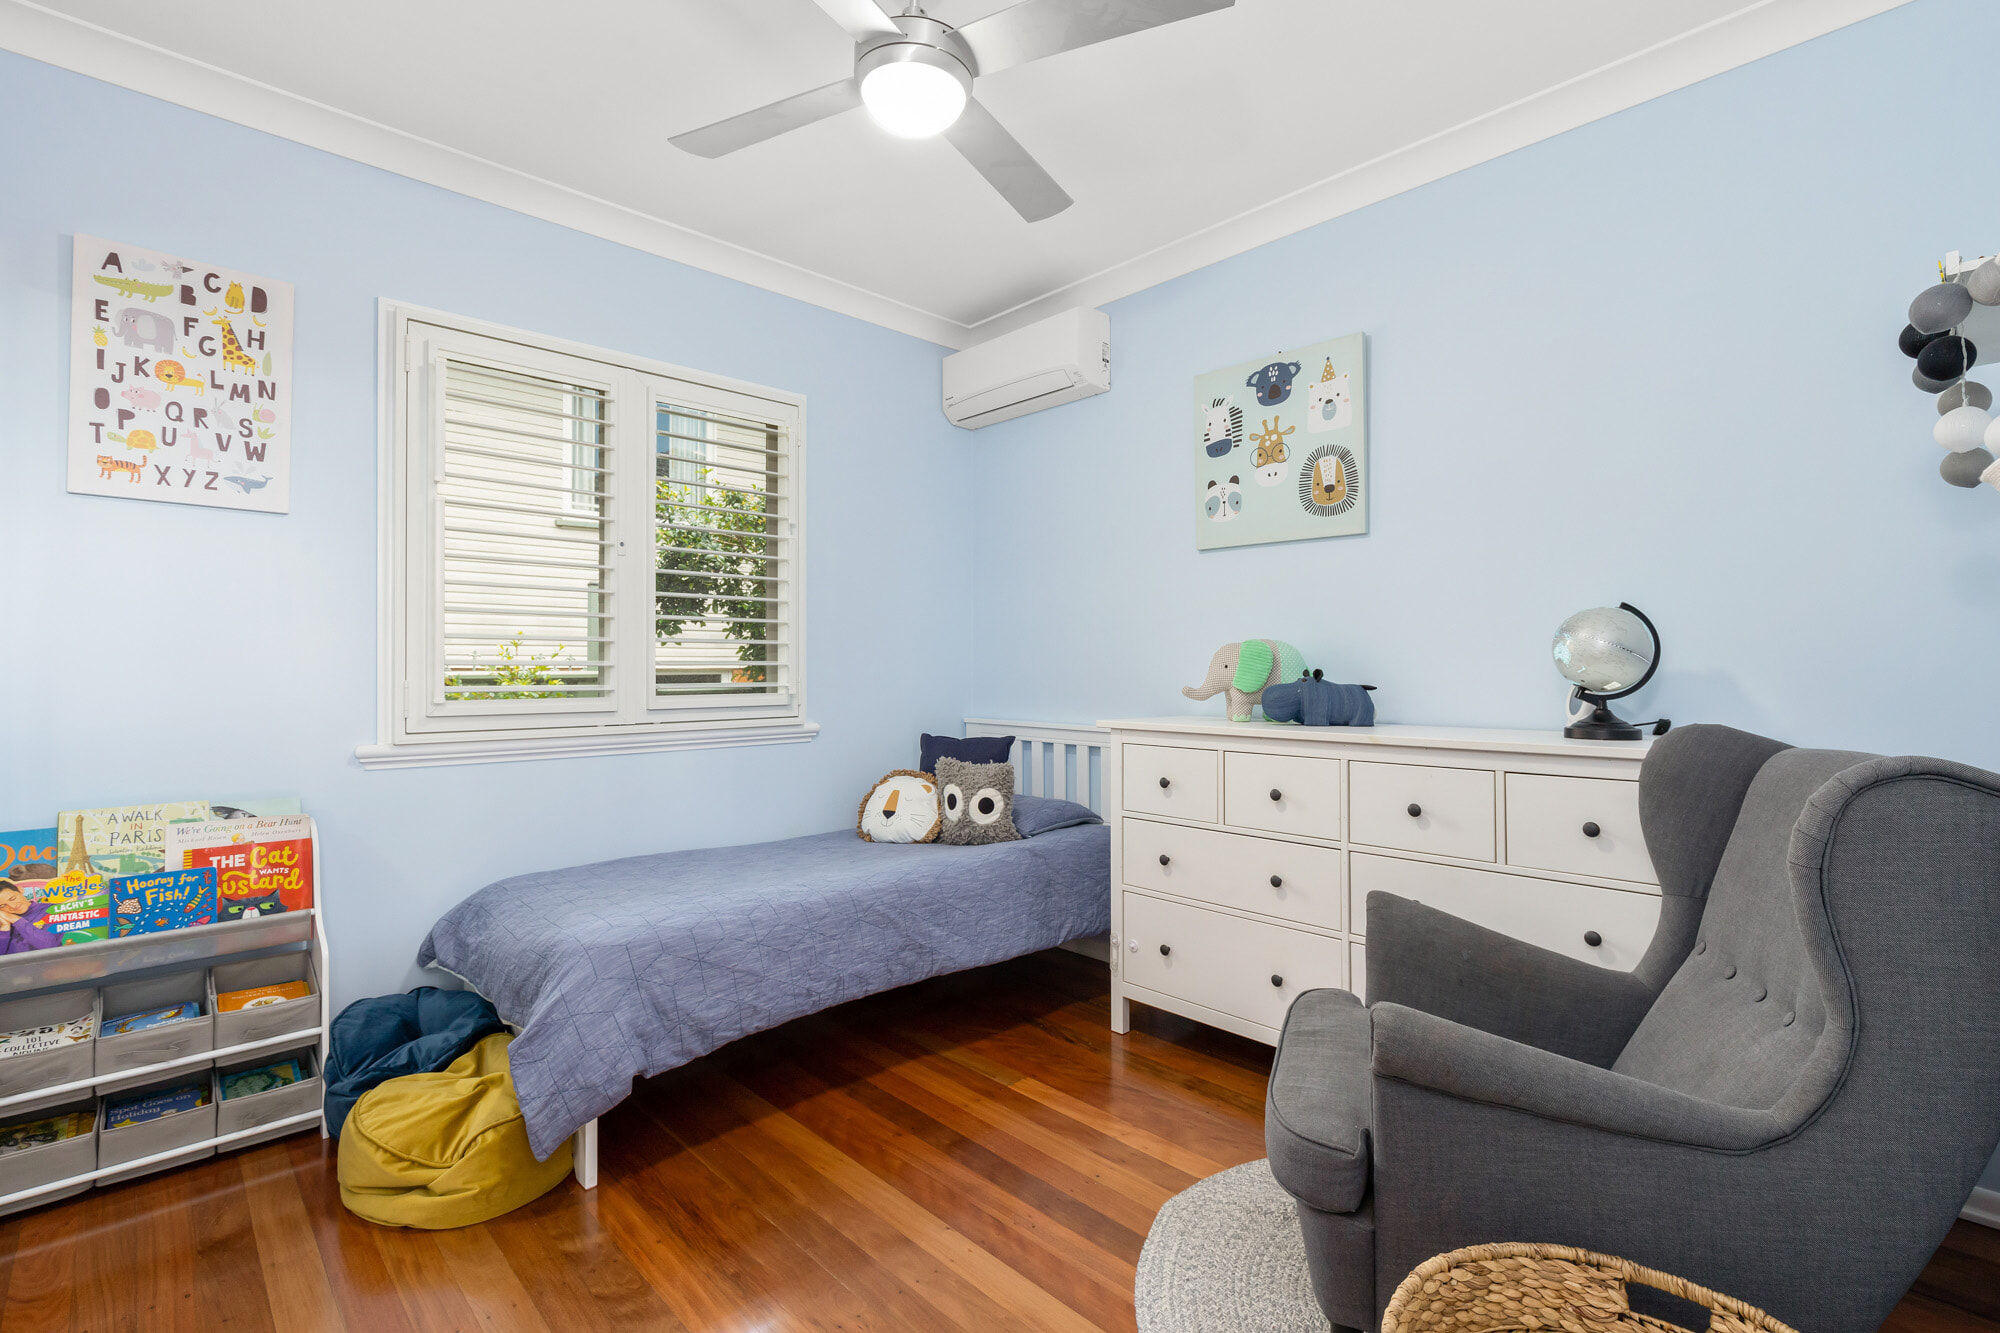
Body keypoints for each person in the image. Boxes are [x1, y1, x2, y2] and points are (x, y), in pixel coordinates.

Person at [0, 883, 58, 953]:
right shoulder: (4, 921)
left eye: (12, 899)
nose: (12, 906)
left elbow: (51, 946)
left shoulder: (53, 910)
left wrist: (15, 920)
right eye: (2, 906)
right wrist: (4, 928)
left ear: (20, 890)